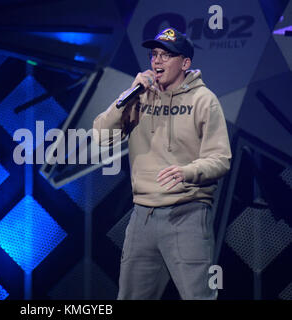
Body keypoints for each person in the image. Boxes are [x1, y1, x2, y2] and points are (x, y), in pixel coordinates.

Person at [93, 27, 232, 300]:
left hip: (187, 213)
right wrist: (128, 95)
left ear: (185, 63)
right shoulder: (139, 97)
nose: (157, 61)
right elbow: (100, 136)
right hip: (142, 217)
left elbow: (221, 159)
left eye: (166, 55)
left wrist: (188, 172)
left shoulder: (204, 101)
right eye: (154, 55)